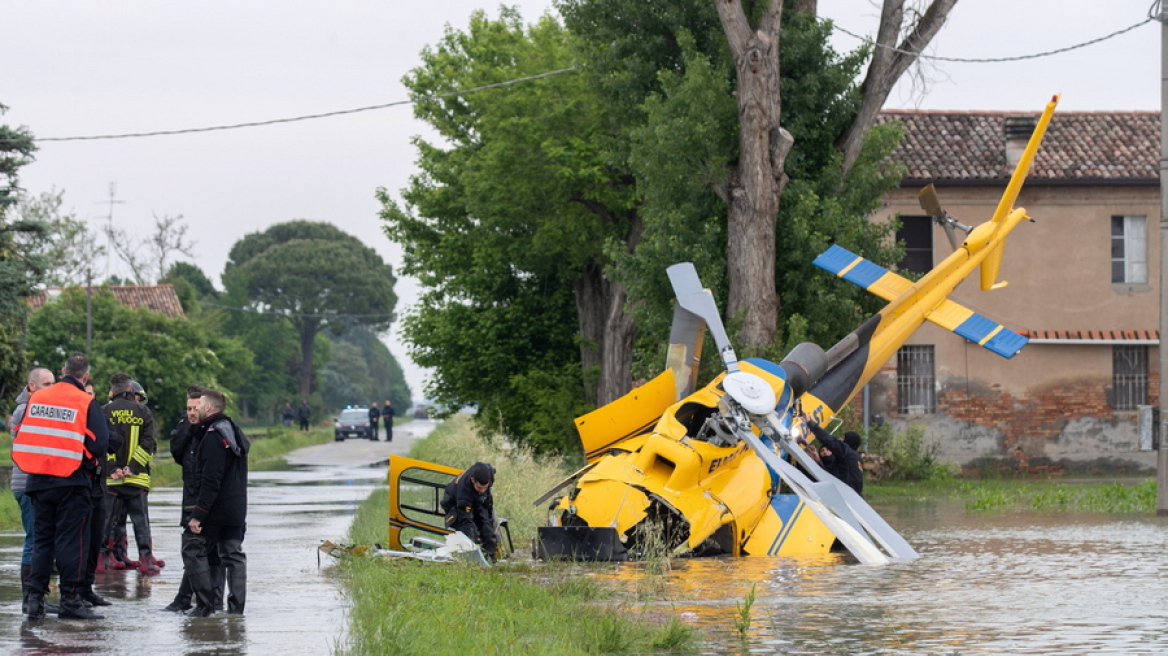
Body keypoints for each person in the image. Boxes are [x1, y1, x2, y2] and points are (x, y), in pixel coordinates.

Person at [15, 352, 110, 620]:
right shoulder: (84, 401)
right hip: (70, 481)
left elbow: (25, 432)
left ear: (62, 370)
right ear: (85, 376)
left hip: (38, 480)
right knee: (71, 543)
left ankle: (35, 601)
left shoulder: (38, 398)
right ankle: (70, 601)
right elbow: (99, 444)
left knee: (42, 542)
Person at [182, 388, 250, 616]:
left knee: (191, 546)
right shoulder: (234, 431)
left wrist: (198, 515)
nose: (196, 408)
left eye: (199, 405)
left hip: (216, 509)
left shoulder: (213, 436)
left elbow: (211, 480)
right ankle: (236, 610)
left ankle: (204, 606)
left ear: (209, 407)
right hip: (236, 508)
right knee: (233, 554)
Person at [163, 385, 225, 614]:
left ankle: (205, 602)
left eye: (195, 407)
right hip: (190, 495)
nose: (191, 412)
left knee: (207, 552)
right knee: (196, 551)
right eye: (188, 408)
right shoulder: (187, 429)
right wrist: (188, 427)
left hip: (209, 500)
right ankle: (196, 600)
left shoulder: (214, 431)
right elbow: (176, 451)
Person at [101, 374, 163, 574]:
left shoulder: (103, 411)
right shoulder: (143, 411)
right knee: (140, 520)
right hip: (136, 479)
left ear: (112, 390)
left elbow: (101, 445)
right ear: (129, 388)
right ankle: (146, 560)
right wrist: (131, 468)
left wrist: (113, 469)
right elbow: (147, 444)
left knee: (107, 520)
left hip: (111, 480)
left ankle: (103, 559)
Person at [10, 367, 56, 616]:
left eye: (53, 384)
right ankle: (30, 599)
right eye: (46, 384)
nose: (52, 388)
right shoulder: (28, 410)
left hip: (31, 482)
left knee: (39, 539)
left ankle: (35, 597)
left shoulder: (31, 408)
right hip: (28, 483)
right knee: (35, 540)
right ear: (32, 386)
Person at [440, 462, 498, 561]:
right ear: (473, 480)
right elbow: (466, 521)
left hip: (476, 500)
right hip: (453, 503)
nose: (483, 490)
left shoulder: (488, 473)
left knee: (487, 526)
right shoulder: (463, 493)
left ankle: (491, 556)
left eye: (485, 487)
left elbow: (487, 510)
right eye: (479, 487)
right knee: (469, 529)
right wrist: (472, 542)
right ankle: (472, 556)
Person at [800, 414, 864, 495]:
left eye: (843, 438)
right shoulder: (852, 459)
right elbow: (832, 477)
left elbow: (828, 440)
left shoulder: (847, 452)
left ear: (848, 441)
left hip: (846, 497)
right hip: (853, 498)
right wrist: (819, 461)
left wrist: (810, 423)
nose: (839, 439)